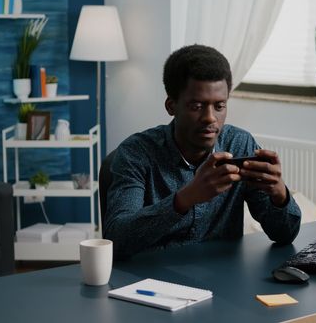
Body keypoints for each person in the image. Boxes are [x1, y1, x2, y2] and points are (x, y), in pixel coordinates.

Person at [104, 44, 301, 259]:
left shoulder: (239, 145)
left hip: (224, 280)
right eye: (197, 106)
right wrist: (185, 199)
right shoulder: (136, 153)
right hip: (151, 283)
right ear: (171, 106)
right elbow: (116, 239)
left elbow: (285, 235)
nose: (210, 118)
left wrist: (280, 195)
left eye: (219, 106)